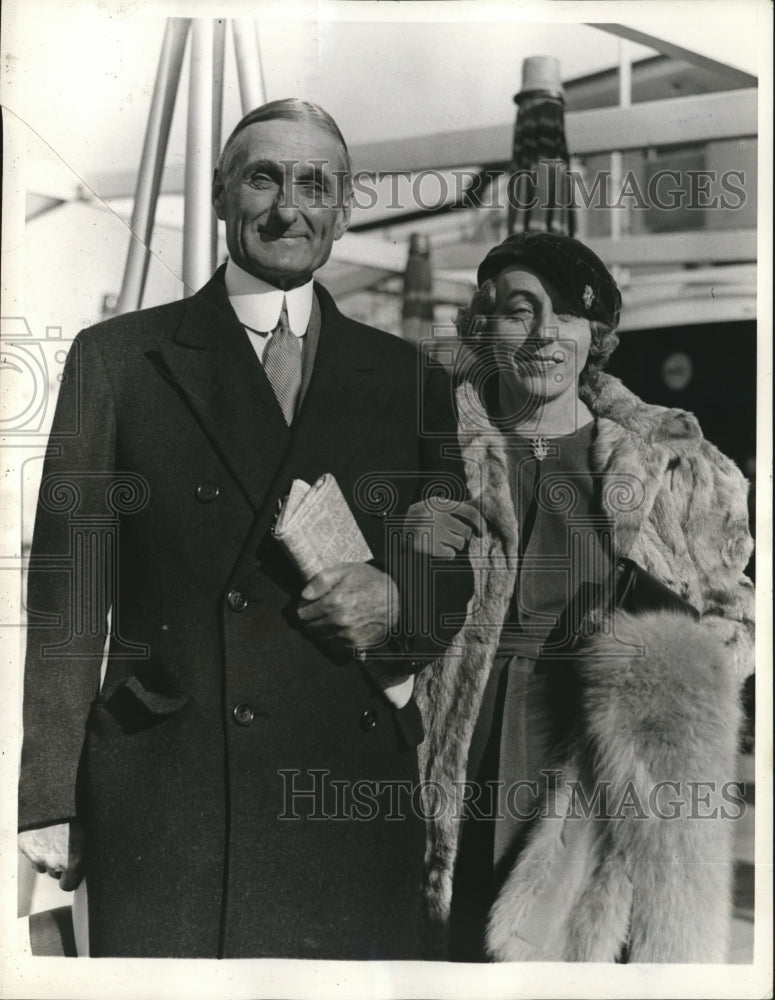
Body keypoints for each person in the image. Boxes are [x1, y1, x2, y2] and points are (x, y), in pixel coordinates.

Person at [18, 99, 470, 959]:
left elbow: (452, 560)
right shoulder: (118, 359)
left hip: (346, 790)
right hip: (172, 797)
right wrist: (49, 794)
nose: (287, 207)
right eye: (263, 178)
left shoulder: (408, 375)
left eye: (314, 185)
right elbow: (70, 595)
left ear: (343, 208)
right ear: (223, 197)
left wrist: (401, 602)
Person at [412, 232, 755, 963]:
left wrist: (656, 661)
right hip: (452, 754)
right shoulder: (427, 449)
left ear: (596, 335)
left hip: (596, 762)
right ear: (483, 327)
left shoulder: (676, 467)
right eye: (516, 311)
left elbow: (738, 615)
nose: (542, 334)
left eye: (566, 314)